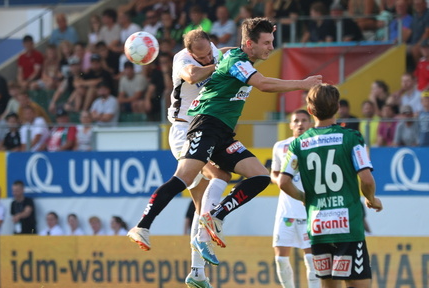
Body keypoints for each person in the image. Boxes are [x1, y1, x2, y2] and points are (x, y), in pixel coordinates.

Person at [127, 18, 321, 261]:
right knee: (184, 178)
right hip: (205, 126)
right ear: (250, 44)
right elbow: (263, 84)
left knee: (261, 176)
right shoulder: (233, 62)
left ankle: (215, 215)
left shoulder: (235, 57)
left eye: (272, 42)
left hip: (223, 134)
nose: (271, 47)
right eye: (267, 43)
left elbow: (230, 52)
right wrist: (302, 84)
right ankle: (142, 225)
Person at [128, 29, 233, 287]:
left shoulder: (214, 52)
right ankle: (150, 226)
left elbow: (226, 52)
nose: (208, 57)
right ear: (190, 52)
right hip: (183, 130)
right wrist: (218, 63)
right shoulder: (182, 60)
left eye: (210, 51)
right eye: (202, 55)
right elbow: (193, 75)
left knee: (201, 200)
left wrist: (237, 52)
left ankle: (197, 273)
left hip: (205, 129)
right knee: (218, 175)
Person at [278, 83, 383, 288]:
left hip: (318, 226)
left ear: (310, 110)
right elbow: (367, 179)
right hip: (347, 225)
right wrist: (372, 200)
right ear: (337, 108)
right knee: (358, 283)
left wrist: (303, 198)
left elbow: (283, 181)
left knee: (328, 284)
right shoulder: (351, 138)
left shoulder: (298, 144)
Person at [271, 109, 320, 288]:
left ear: (310, 124)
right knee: (281, 259)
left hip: (309, 211)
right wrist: (282, 182)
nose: (300, 124)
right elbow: (274, 173)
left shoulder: (317, 145)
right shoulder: (280, 146)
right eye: (296, 121)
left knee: (311, 258)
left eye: (304, 120)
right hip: (286, 211)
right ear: (290, 125)